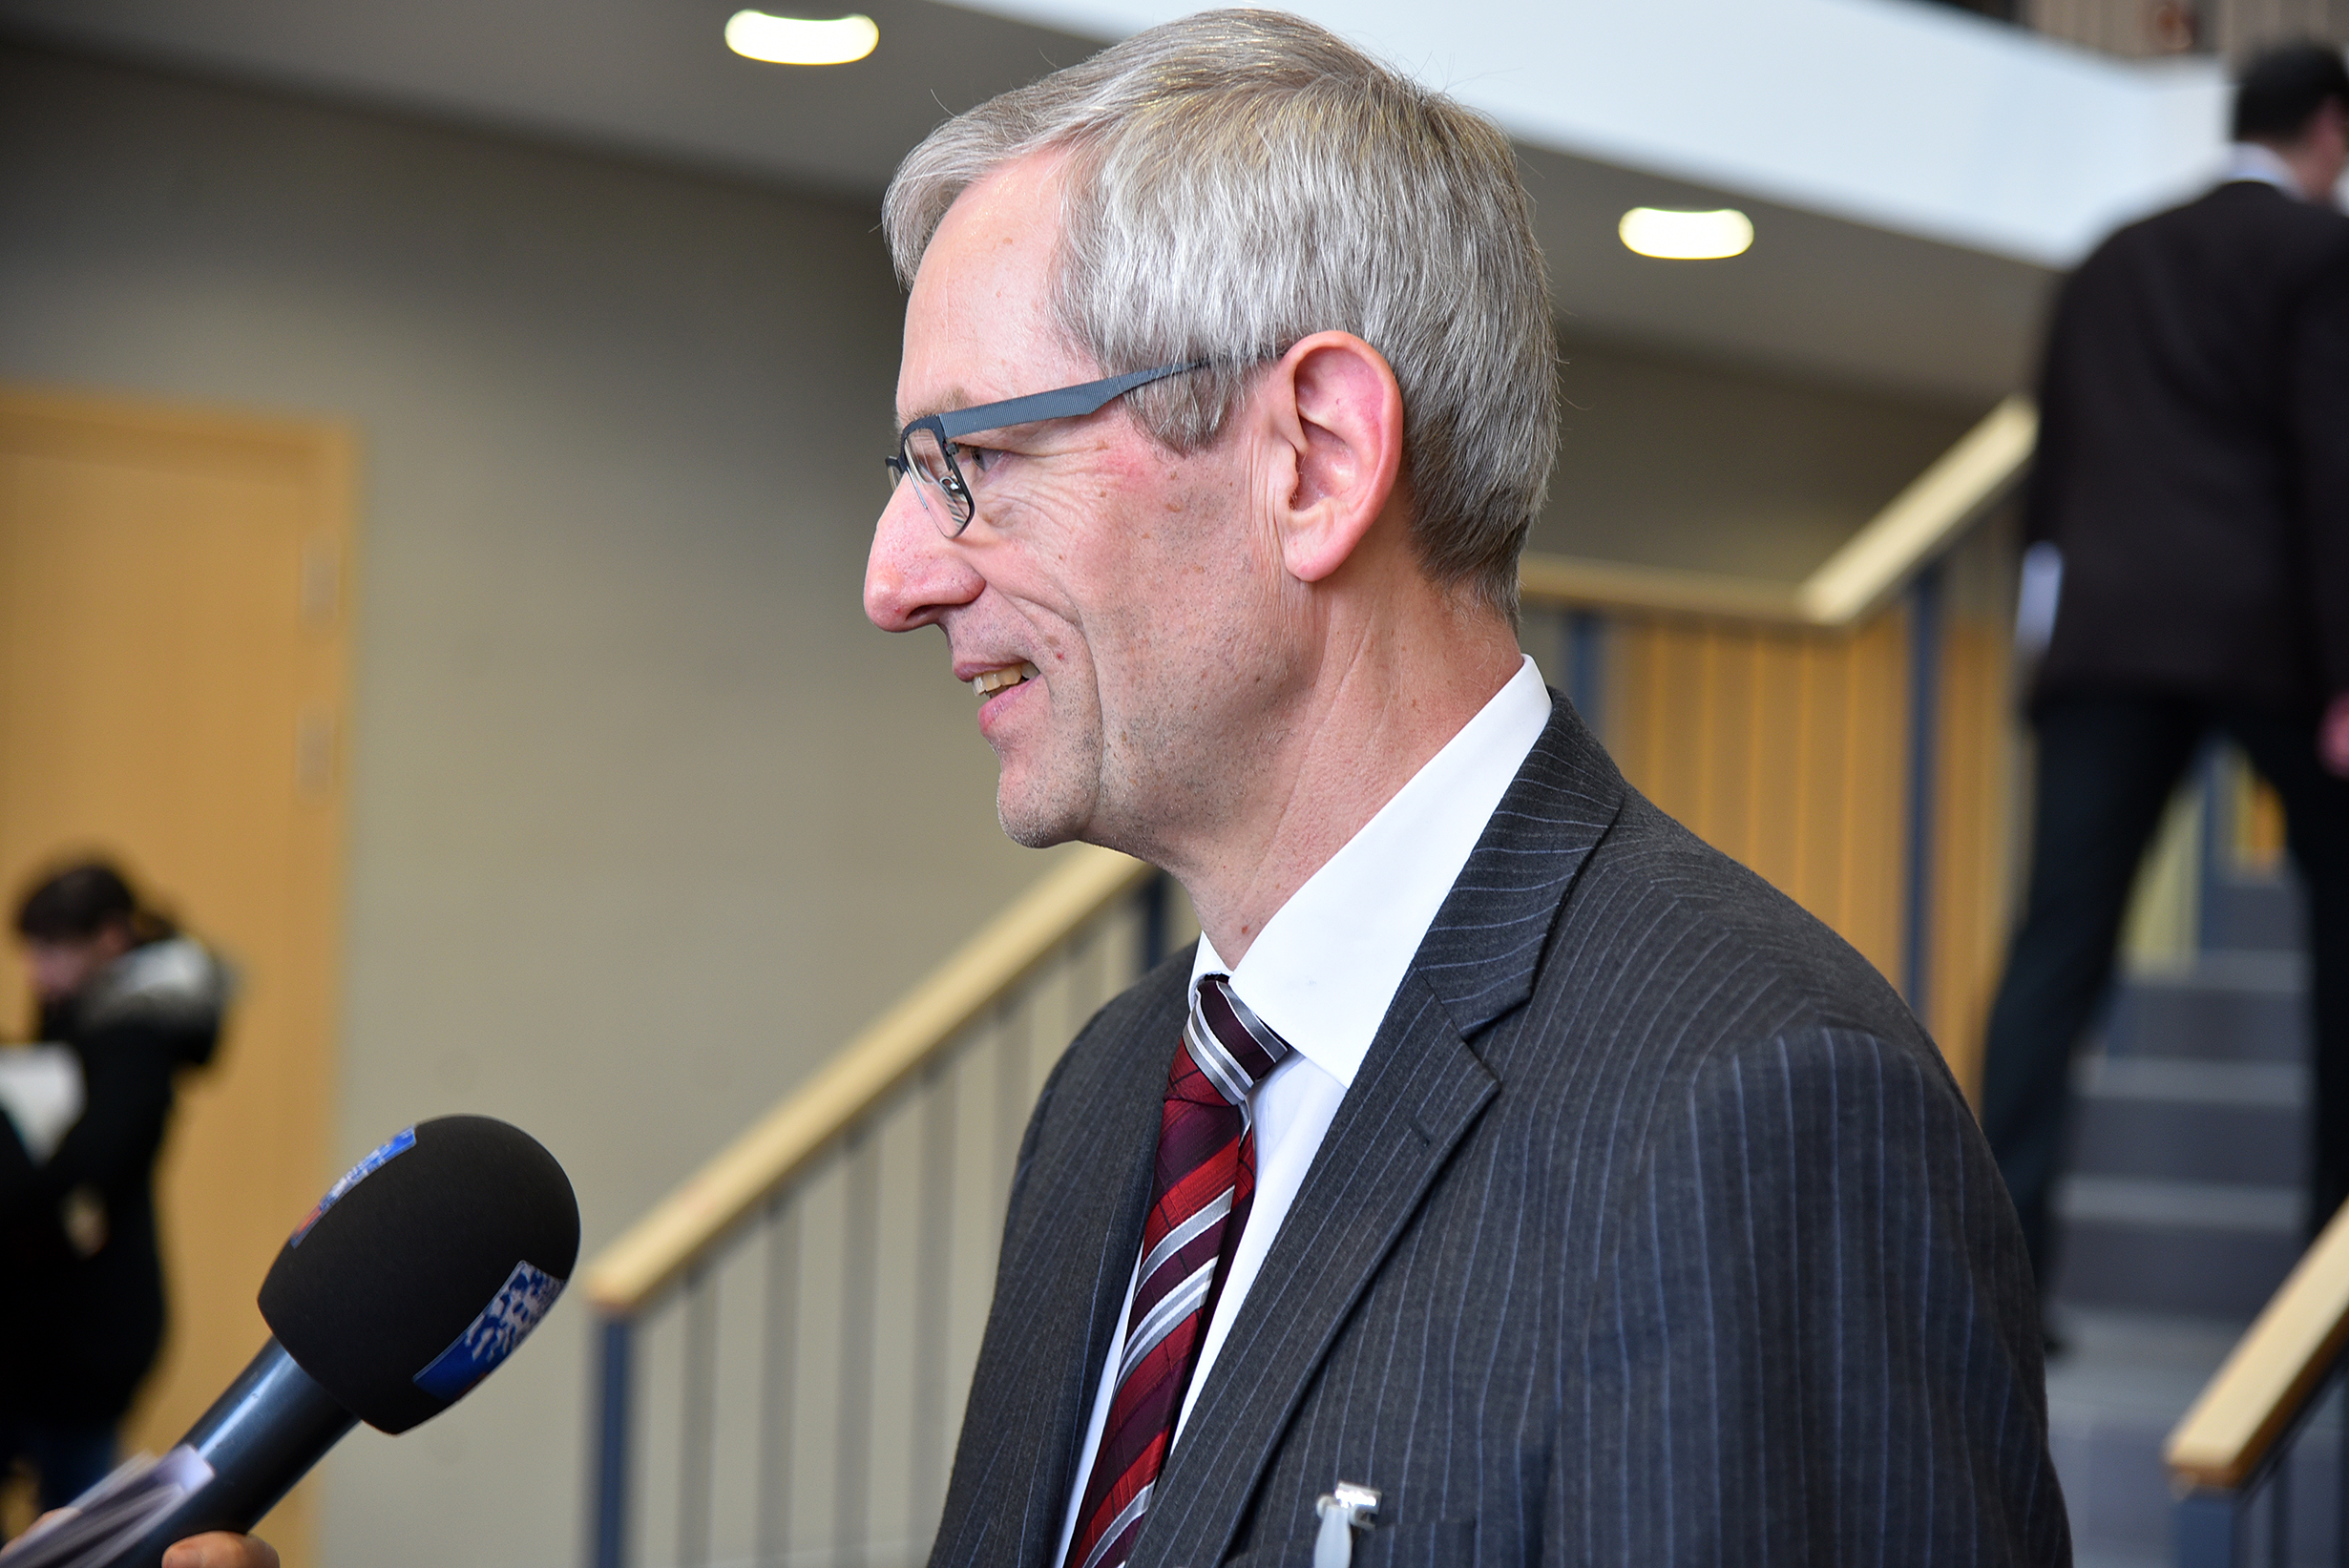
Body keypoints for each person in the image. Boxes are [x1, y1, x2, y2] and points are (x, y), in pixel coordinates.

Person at [186, 10, 2064, 1566]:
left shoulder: (1752, 1112)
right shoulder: (1118, 1097)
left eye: (966, 463)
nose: (894, 572)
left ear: (1313, 458)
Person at [1977, 40, 2349, 1321]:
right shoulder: (2316, 252)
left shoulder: (2108, 254)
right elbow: (2332, 460)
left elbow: (2055, 465)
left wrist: (2045, 648)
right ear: (2329, 132)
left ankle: (2005, 1275)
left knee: (2056, 946)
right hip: (2265, 638)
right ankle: (2324, 1268)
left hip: (2104, 638)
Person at [1, 862, 230, 1522]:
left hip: (88, 1332)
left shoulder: (135, 1035)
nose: (36, 973)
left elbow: (89, 1164)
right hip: (44, 1327)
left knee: (81, 1522)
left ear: (108, 939)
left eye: (52, 950)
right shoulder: (77, 1009)